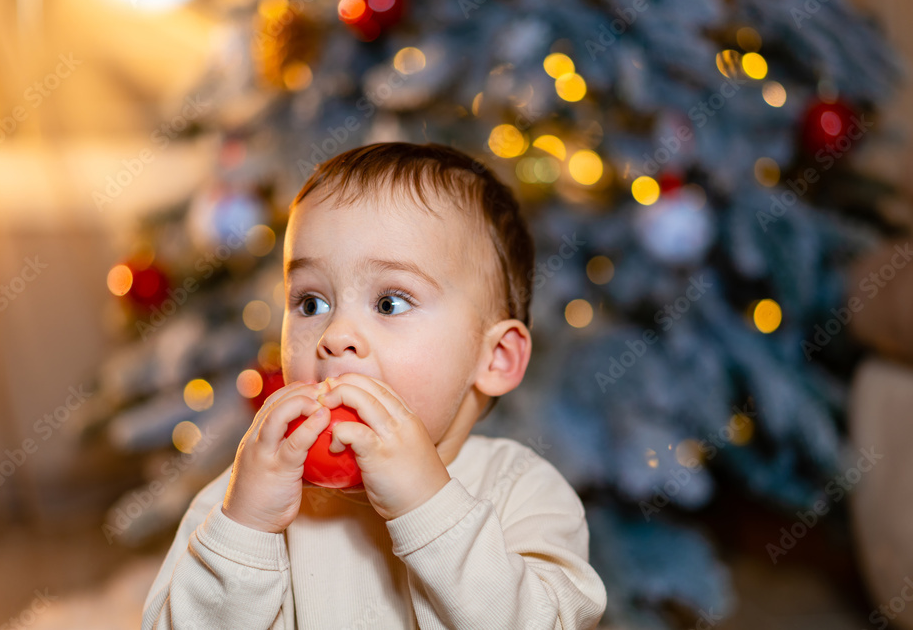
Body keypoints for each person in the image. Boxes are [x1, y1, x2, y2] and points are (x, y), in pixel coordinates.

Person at [142, 142, 607, 629]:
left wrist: (429, 510)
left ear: (495, 358)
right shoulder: (243, 496)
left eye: (389, 303)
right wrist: (246, 531)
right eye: (311, 304)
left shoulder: (523, 493)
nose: (334, 337)